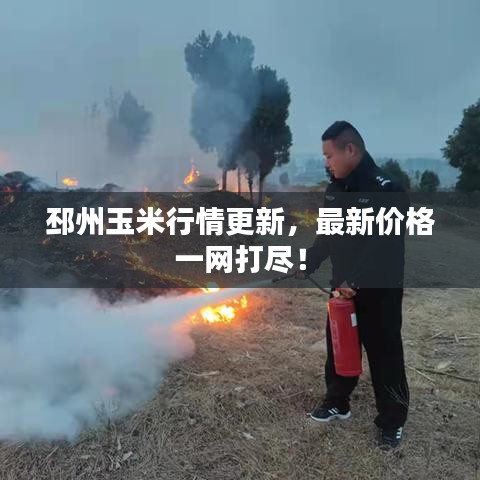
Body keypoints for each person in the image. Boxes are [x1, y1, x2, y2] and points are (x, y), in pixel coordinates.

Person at [298, 121, 409, 449]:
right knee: (339, 345)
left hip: (379, 290)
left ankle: (392, 421)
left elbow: (384, 244)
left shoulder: (386, 190)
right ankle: (337, 401)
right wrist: (309, 262)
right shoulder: (335, 189)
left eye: (329, 155)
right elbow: (327, 232)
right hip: (341, 287)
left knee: (385, 354)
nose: (326, 162)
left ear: (350, 150)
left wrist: (356, 280)